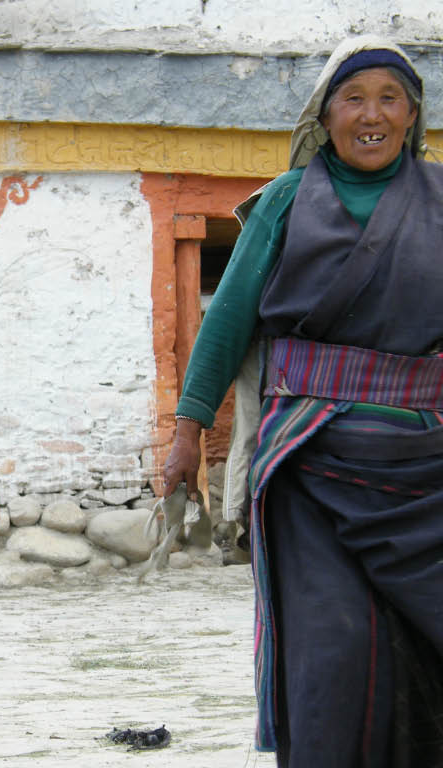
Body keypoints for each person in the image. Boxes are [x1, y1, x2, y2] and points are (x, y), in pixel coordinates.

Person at [163, 36, 443, 767]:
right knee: (336, 645)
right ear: (325, 117)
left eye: (390, 98)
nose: (372, 115)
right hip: (309, 466)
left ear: (413, 114)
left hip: (423, 470)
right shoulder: (287, 201)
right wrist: (187, 431)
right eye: (354, 99)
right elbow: (227, 323)